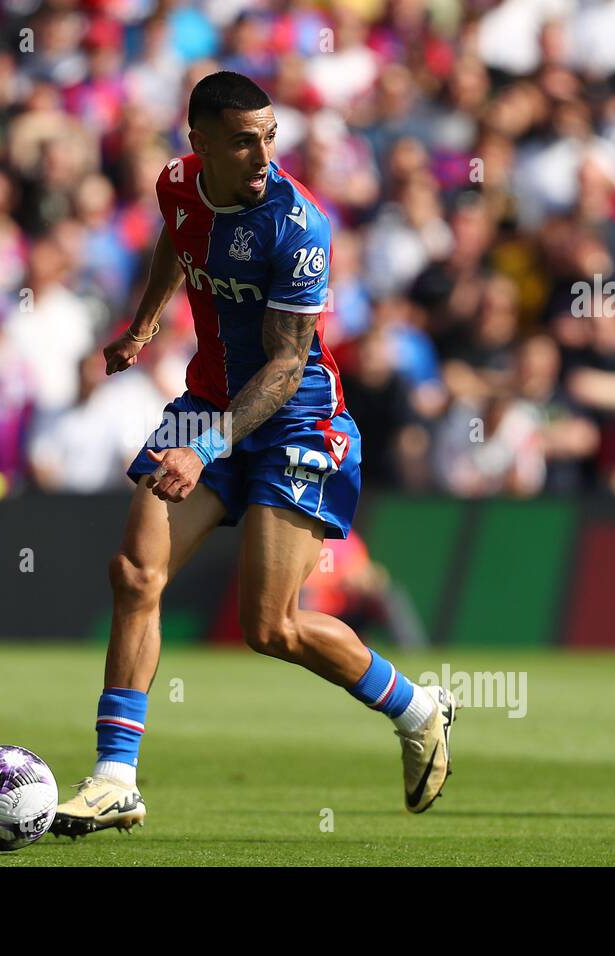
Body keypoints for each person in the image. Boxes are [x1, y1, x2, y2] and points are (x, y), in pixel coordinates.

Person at [51, 72, 458, 839]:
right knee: (135, 572)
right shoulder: (177, 184)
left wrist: (203, 450)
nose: (263, 153)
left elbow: (284, 365)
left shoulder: (299, 226)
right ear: (198, 142)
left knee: (270, 628)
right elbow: (179, 241)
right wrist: (143, 326)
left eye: (270, 136)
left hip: (297, 424)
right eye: (244, 140)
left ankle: (417, 707)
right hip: (207, 401)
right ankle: (115, 780)